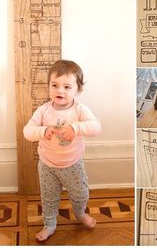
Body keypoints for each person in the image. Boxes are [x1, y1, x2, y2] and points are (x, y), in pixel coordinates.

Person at [23, 59, 101, 242]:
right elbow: (27, 131)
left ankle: (80, 213)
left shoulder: (80, 110)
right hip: (47, 165)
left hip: (73, 165)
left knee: (81, 193)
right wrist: (42, 131)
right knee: (48, 198)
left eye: (67, 87)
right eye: (55, 85)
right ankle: (49, 224)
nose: (60, 90)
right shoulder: (43, 111)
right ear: (48, 86)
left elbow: (96, 127)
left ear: (78, 90)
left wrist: (76, 128)